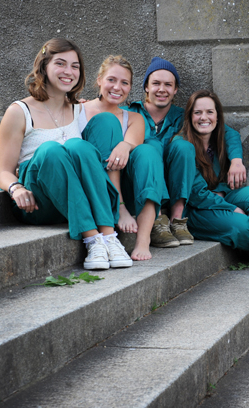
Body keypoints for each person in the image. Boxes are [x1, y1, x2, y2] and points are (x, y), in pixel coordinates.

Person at [0, 38, 131, 270]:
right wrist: (15, 187)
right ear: (44, 66)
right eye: (61, 63)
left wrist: (126, 145)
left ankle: (108, 236)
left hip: (76, 199)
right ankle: (92, 239)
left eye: (75, 66)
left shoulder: (81, 110)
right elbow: (5, 172)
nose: (69, 71)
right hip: (39, 202)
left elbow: (90, 155)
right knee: (51, 149)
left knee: (84, 142)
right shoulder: (19, 111)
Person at [124, 57, 245, 248]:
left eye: (168, 84)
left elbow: (227, 132)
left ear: (175, 90)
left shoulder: (183, 117)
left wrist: (236, 161)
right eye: (156, 83)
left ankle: (176, 220)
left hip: (175, 190)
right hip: (139, 189)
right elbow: (99, 112)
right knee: (150, 147)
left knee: (183, 146)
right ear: (146, 86)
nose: (162, 89)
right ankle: (156, 219)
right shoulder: (128, 113)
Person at [169, 90, 249, 263]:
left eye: (209, 112)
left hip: (219, 197)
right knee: (242, 223)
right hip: (195, 209)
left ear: (217, 117)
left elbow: (232, 134)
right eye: (197, 112)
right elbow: (195, 194)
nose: (204, 117)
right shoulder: (181, 145)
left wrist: (236, 161)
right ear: (189, 117)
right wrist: (231, 208)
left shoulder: (218, 138)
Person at [79, 55, 170, 261]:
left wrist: (125, 145)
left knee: (148, 152)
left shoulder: (134, 118)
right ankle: (116, 207)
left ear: (130, 87)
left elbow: (133, 144)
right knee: (104, 127)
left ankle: (144, 238)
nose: (117, 87)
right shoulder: (77, 109)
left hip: (124, 186)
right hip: (90, 185)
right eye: (111, 80)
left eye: (125, 83)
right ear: (99, 79)